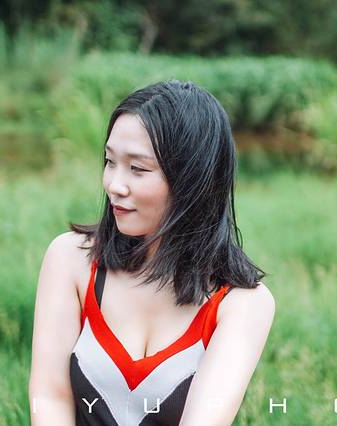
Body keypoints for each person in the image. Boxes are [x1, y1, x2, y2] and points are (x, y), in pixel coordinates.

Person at [28, 80, 275, 426]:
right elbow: (50, 396)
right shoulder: (71, 259)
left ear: (192, 180)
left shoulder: (242, 303)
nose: (114, 184)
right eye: (110, 161)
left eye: (138, 169)